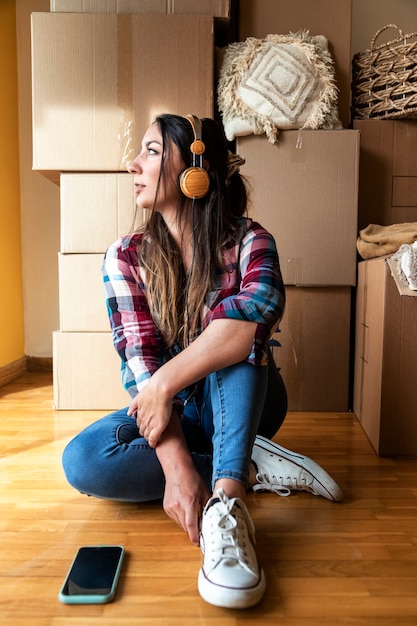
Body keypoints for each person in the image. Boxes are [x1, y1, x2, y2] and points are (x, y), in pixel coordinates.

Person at [62, 114, 342, 609]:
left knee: (232, 341)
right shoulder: (125, 257)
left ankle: (228, 503)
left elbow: (245, 326)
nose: (133, 164)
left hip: (247, 398)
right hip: (181, 413)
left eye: (150, 150)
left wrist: (164, 385)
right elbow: (139, 364)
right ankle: (246, 463)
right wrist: (174, 467)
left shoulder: (253, 241)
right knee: (85, 459)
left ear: (195, 167)